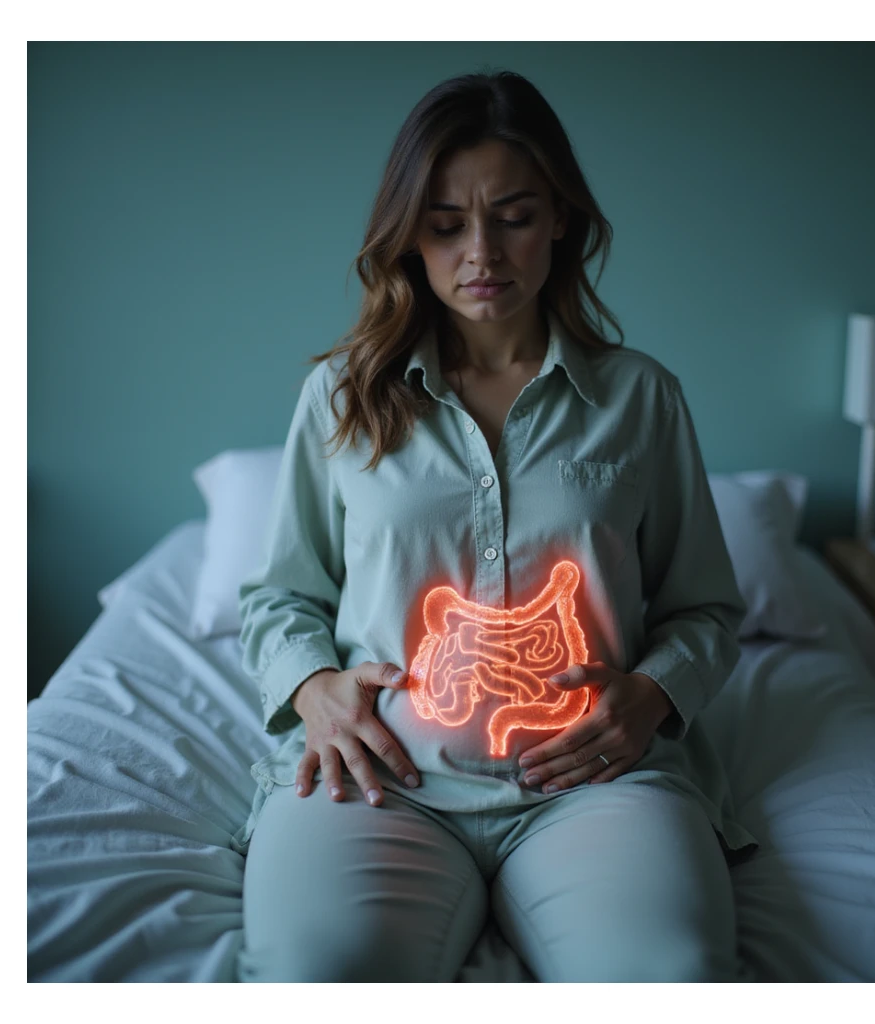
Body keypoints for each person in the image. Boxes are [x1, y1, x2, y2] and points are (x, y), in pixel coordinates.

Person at [233, 68, 759, 983]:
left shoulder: (641, 399)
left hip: (596, 782)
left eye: (513, 216)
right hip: (379, 779)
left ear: (560, 218)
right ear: (411, 238)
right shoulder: (342, 399)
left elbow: (705, 611)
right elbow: (282, 594)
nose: (482, 251)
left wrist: (655, 695)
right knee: (313, 973)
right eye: (445, 224)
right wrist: (315, 687)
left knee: (670, 972)